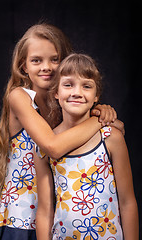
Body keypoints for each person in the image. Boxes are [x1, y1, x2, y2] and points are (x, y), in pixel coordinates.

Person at [0, 23, 122, 240]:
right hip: (21, 219)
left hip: (56, 223)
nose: (47, 67)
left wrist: (102, 113)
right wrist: (99, 119)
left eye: (54, 59)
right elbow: (52, 147)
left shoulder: (66, 106)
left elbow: (116, 129)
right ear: (23, 66)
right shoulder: (19, 97)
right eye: (36, 60)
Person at [35, 53, 139, 240]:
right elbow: (44, 211)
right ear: (56, 92)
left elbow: (127, 202)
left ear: (96, 95)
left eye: (86, 86)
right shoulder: (45, 146)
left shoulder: (110, 137)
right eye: (68, 84)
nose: (77, 92)